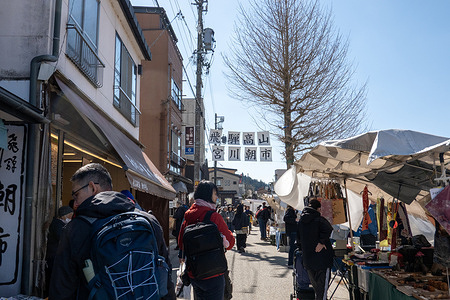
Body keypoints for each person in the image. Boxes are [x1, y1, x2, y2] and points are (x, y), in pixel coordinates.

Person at [49, 163, 175, 299]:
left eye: (76, 195)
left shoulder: (75, 229)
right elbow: (165, 279)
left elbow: (62, 290)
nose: (75, 203)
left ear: (92, 187)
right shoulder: (149, 221)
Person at [178, 180, 235, 300]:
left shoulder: (188, 216)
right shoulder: (214, 216)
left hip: (194, 272)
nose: (217, 197)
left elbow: (181, 243)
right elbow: (230, 243)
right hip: (214, 272)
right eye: (215, 194)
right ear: (208, 195)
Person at [297, 199, 333, 300]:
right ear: (318, 208)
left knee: (317, 288)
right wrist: (322, 242)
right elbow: (329, 229)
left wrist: (308, 246)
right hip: (322, 260)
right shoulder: (319, 219)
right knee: (322, 289)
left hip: (308, 259)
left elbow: (298, 239)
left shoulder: (301, 221)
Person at [44, 205, 73, 297]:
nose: (70, 218)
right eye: (69, 216)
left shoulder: (60, 224)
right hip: (53, 256)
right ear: (63, 216)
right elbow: (63, 239)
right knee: (53, 278)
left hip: (55, 255)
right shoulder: (57, 224)